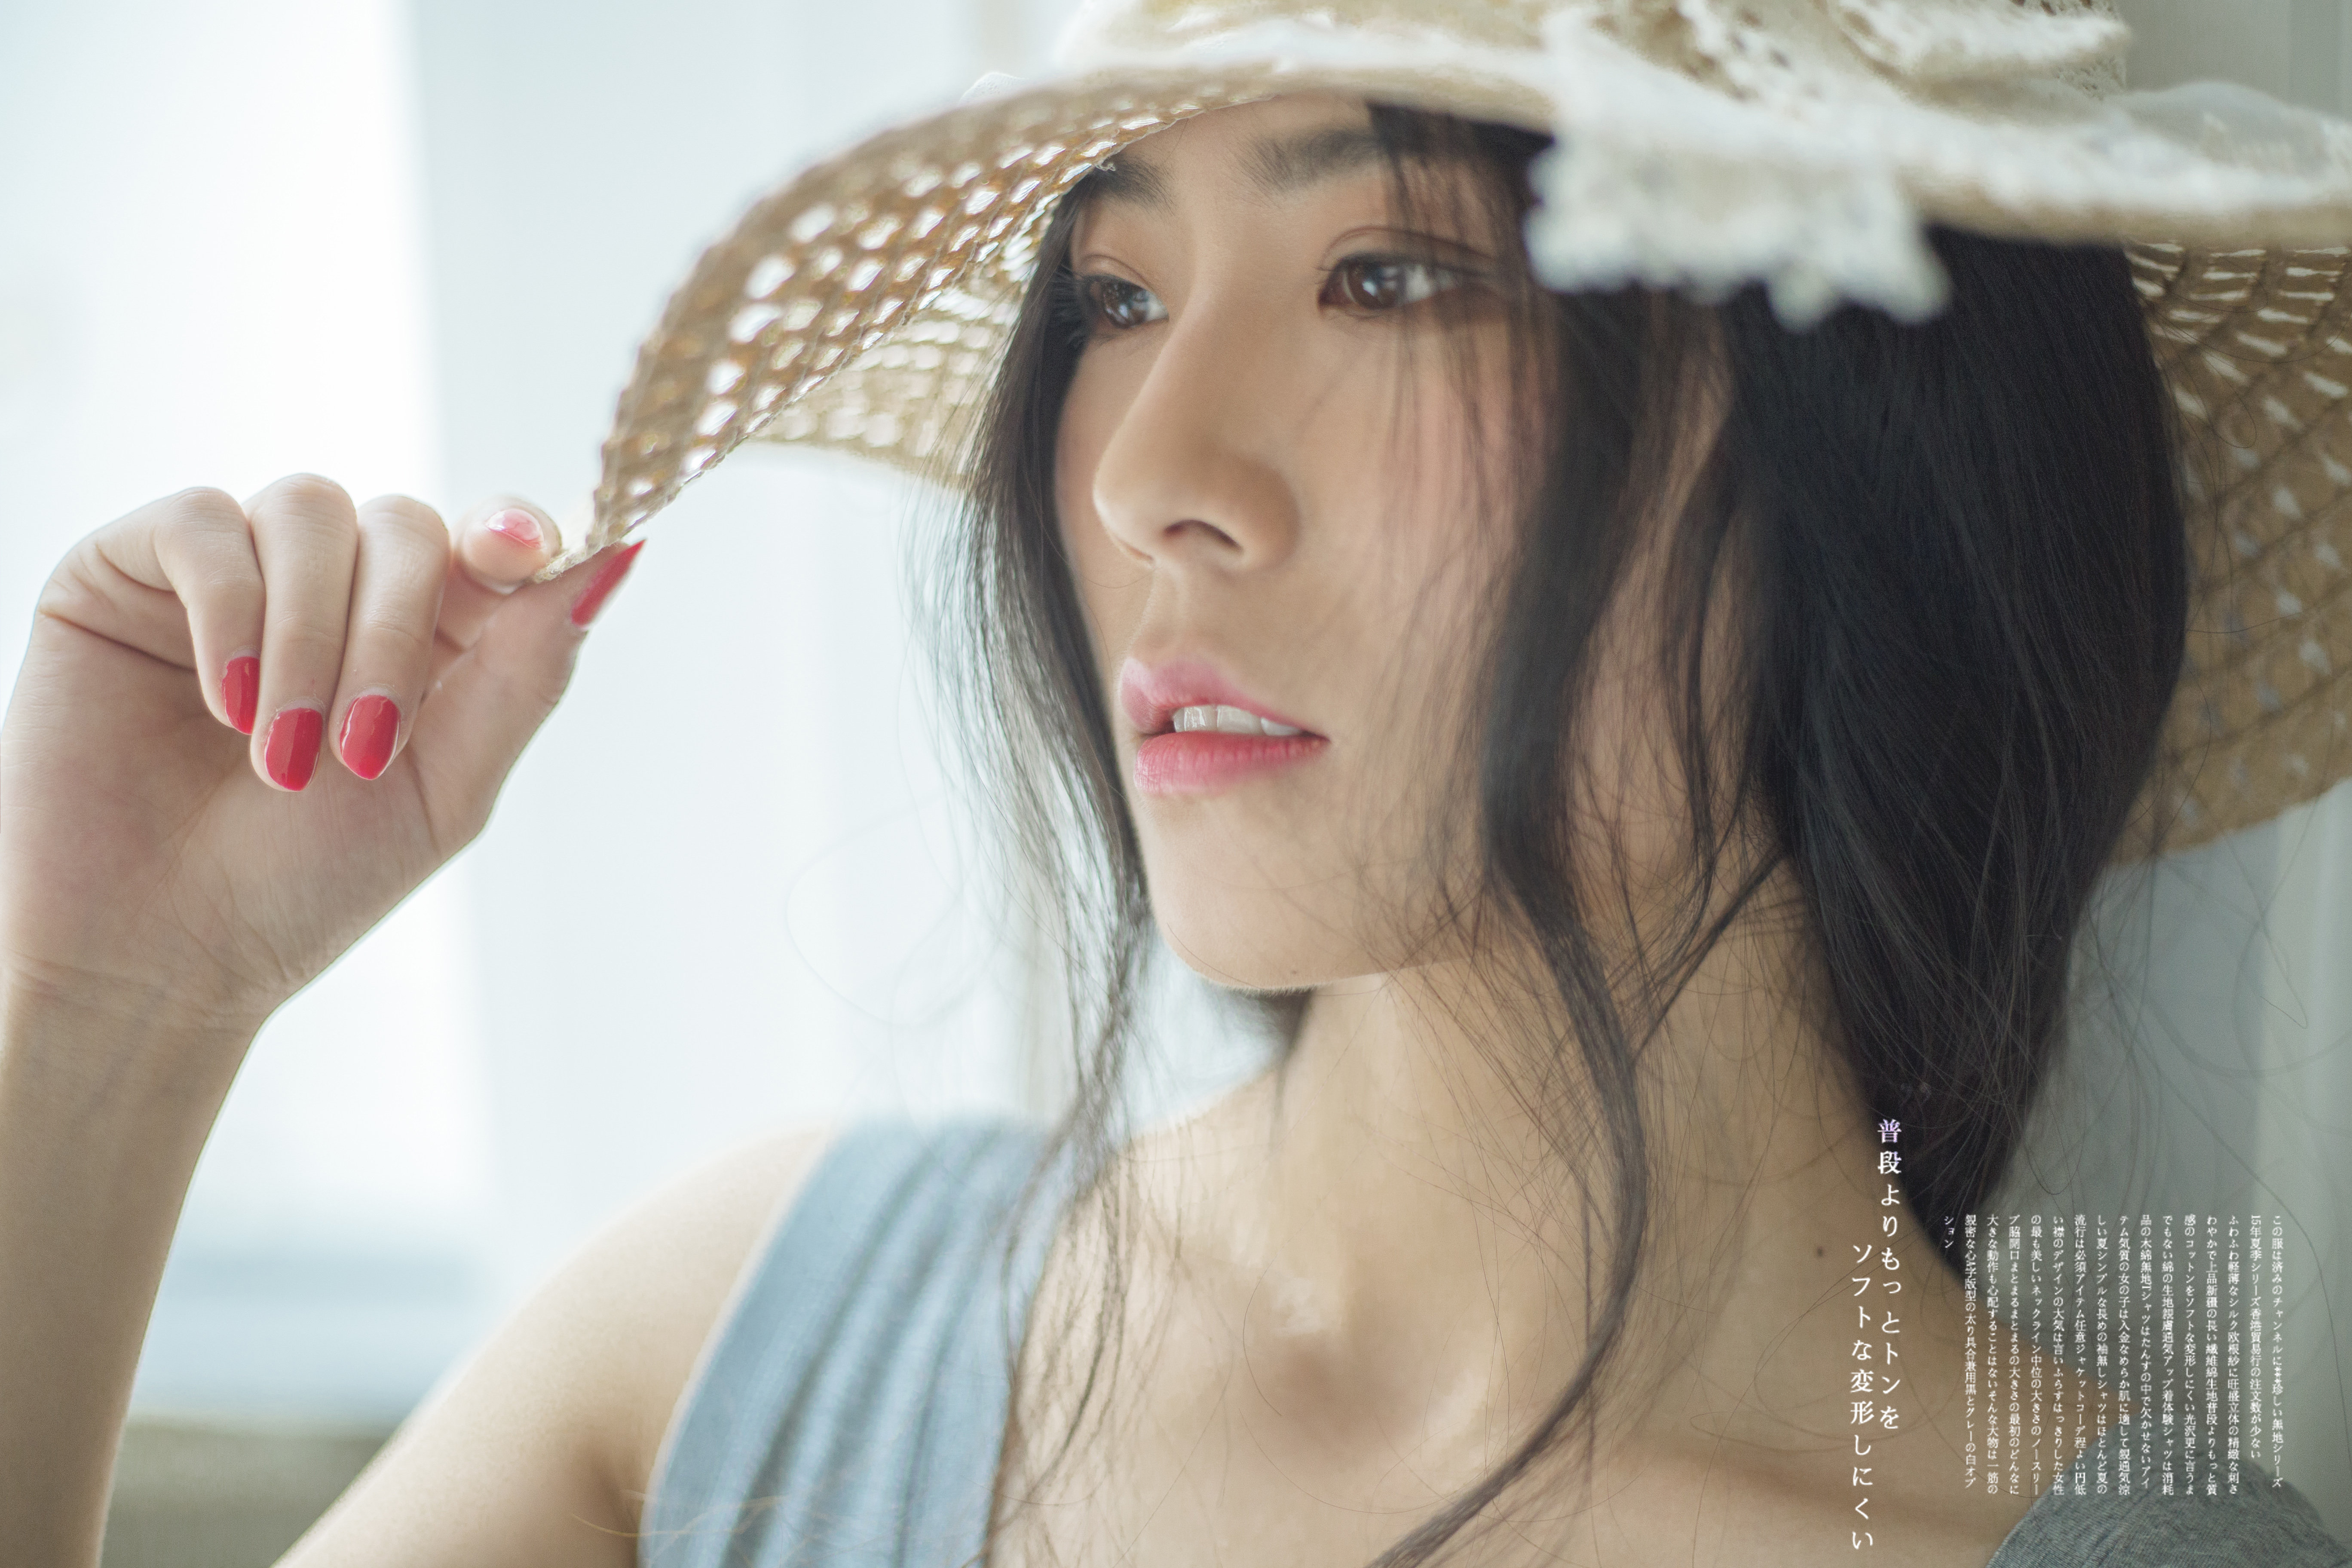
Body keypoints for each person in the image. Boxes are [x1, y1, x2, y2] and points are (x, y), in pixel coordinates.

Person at [5, 4, 2352, 1566]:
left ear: (1860, 443)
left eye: (1391, 277)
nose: (1145, 478)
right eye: (1114, 299)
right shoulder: (747, 1350)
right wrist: (117, 1009)